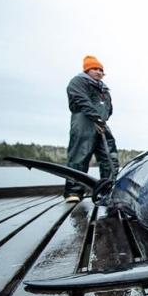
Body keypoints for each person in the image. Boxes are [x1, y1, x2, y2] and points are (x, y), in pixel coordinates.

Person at [63, 55, 120, 203]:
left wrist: (102, 120)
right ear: (87, 70)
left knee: (110, 157)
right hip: (84, 122)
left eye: (101, 70)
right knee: (79, 156)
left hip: (102, 124)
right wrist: (95, 119)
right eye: (95, 69)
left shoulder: (104, 89)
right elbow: (81, 100)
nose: (99, 72)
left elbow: (108, 107)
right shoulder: (78, 82)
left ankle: (108, 189)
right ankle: (73, 192)